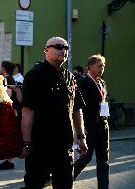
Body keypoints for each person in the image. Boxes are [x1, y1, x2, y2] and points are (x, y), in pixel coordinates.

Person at [19, 37, 88, 189]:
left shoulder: (70, 77)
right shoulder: (34, 75)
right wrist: (25, 143)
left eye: (66, 47)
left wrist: (81, 137)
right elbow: (27, 112)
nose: (63, 50)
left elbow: (76, 109)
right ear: (46, 50)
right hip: (40, 145)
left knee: (65, 185)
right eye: (58, 46)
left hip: (64, 146)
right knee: (34, 184)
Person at [74, 54, 109, 189]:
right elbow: (78, 107)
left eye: (103, 65)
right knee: (85, 158)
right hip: (89, 126)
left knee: (103, 160)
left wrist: (105, 120)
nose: (102, 68)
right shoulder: (83, 82)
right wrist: (81, 129)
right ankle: (64, 179)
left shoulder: (102, 82)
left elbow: (103, 102)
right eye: (99, 65)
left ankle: (104, 187)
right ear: (90, 67)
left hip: (103, 125)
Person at [0, 61, 22, 170]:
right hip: (12, 111)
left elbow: (8, 96)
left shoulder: (8, 80)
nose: (0, 68)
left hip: (11, 111)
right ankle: (9, 160)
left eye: (1, 67)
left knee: (9, 136)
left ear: (4, 68)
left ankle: (10, 161)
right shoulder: (9, 79)